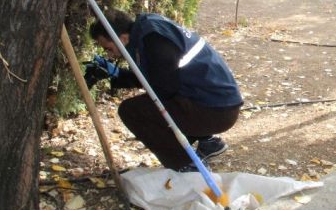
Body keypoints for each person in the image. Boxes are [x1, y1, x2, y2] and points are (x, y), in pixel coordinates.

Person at [85, 10, 243, 172]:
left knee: (132, 111)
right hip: (218, 101)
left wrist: (120, 76)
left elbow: (164, 88)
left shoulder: (154, 40)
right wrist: (117, 75)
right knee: (156, 106)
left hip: (217, 111)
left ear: (122, 38)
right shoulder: (148, 28)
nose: (110, 54)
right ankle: (207, 142)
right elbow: (158, 76)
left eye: (109, 48)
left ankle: (188, 165)